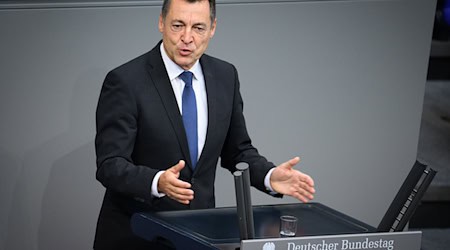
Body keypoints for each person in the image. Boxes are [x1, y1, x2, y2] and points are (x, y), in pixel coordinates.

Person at [93, 0, 315, 249]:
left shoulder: (225, 76)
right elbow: (110, 165)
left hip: (199, 234)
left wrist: (269, 175)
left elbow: (237, 151)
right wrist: (156, 181)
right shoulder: (126, 81)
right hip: (136, 236)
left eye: (198, 27)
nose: (187, 37)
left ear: (212, 28)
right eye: (178, 25)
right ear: (161, 23)